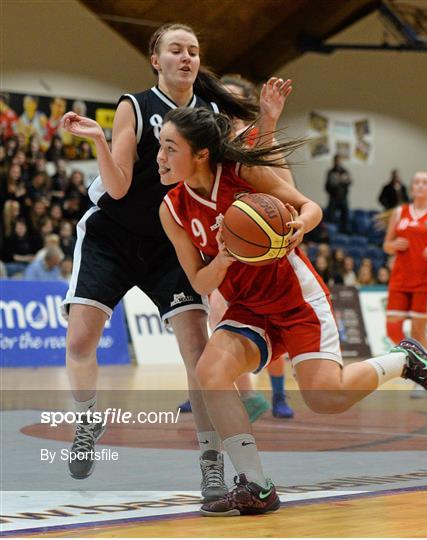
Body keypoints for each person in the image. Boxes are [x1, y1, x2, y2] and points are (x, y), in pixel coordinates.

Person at [158, 107, 427, 516]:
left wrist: (299, 226)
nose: (160, 156)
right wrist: (225, 258)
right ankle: (256, 486)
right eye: (161, 147)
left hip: (296, 299)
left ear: (202, 153)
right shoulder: (172, 209)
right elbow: (199, 282)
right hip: (247, 307)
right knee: (211, 371)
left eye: (170, 148)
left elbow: (308, 206)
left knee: (325, 398)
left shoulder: (242, 172)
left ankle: (404, 360)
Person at [59, 22, 259, 501]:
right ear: (156, 59)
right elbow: (121, 187)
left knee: (196, 351)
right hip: (114, 233)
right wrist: (100, 143)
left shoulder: (212, 114)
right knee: (81, 337)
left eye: (193, 50)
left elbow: (238, 172)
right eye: (176, 50)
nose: (187, 57)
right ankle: (88, 419)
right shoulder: (135, 105)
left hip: (174, 241)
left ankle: (211, 463)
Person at [180, 74, 295, 421]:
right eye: (220, 104)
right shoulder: (206, 147)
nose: (225, 112)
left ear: (244, 110)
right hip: (226, 252)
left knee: (273, 335)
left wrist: (270, 124)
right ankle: (236, 392)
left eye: (232, 105)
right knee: (218, 315)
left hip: (264, 251)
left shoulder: (259, 140)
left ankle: (278, 394)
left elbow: (289, 192)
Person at [383, 171, 427, 351]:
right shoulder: (400, 212)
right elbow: (386, 245)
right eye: (417, 182)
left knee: (418, 332)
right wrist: (394, 245)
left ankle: (425, 375)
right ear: (412, 188)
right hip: (400, 278)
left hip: (425, 280)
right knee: (392, 329)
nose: (420, 185)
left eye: (425, 182)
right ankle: (414, 357)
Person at [325, 154, 352, 233]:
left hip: (343, 197)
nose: (338, 162)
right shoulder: (330, 172)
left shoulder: (345, 171)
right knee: (331, 216)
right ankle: (331, 232)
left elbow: (349, 182)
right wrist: (338, 181)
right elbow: (327, 185)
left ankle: (344, 231)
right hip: (333, 197)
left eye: (340, 160)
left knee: (345, 215)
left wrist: (341, 180)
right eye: (337, 160)